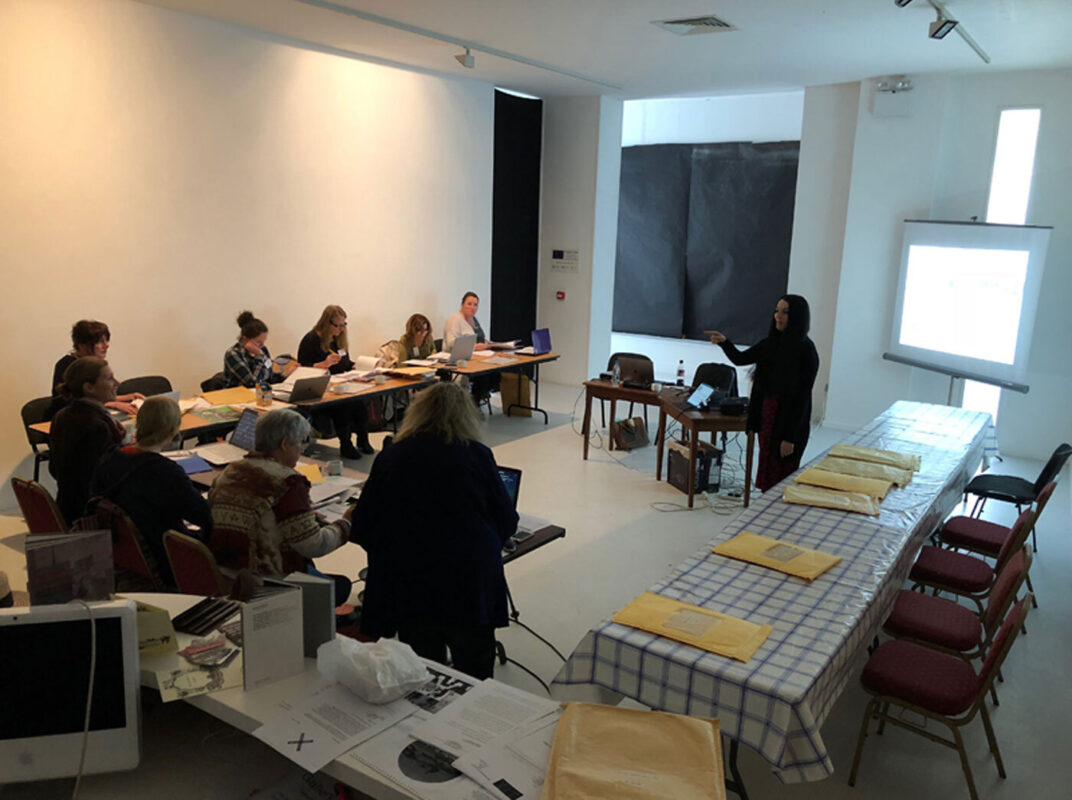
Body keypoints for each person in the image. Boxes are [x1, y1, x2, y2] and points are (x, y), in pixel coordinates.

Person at [349, 381, 517, 680]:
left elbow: (364, 524)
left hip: (411, 582)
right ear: (466, 415)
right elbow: (506, 519)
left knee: (424, 669)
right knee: (475, 669)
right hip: (467, 580)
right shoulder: (477, 454)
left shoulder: (391, 456)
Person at [208, 408, 353, 604]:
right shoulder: (287, 482)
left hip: (226, 576)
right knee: (342, 586)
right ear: (285, 444)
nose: (303, 449)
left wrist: (302, 517)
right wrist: (345, 524)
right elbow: (313, 545)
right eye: (302, 442)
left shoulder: (229, 471)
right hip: (267, 583)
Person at [91, 396, 212, 587]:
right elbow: (205, 517)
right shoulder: (165, 472)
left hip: (124, 552)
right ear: (172, 431)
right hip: (165, 555)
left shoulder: (110, 458)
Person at [708, 294, 819, 492]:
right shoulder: (771, 342)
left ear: (797, 317)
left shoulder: (806, 351)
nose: (778, 316)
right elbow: (741, 359)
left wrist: (790, 438)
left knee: (782, 477)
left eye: (785, 312)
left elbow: (802, 399)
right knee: (767, 471)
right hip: (768, 418)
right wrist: (725, 342)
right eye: (776, 311)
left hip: (789, 423)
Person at [48, 357, 127, 523]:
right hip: (93, 515)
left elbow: (54, 469)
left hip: (67, 507)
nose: (117, 383)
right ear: (89, 387)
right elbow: (111, 479)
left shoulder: (61, 416)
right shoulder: (96, 425)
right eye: (109, 378)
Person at [296, 305, 372, 459]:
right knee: (342, 406)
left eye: (343, 325)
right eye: (337, 326)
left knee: (359, 403)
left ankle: (363, 439)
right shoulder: (311, 340)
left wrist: (359, 366)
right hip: (318, 388)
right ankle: (346, 444)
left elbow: (344, 363)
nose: (340, 329)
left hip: (339, 384)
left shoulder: (338, 340)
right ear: (326, 323)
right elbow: (302, 368)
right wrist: (325, 363)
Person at [51, 320, 143, 417]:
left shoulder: (97, 365)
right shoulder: (67, 365)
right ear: (82, 346)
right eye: (100, 342)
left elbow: (95, 396)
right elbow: (72, 402)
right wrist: (114, 404)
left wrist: (126, 398)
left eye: (106, 340)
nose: (106, 345)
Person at [223, 310, 297, 389]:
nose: (262, 345)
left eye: (264, 341)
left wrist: (285, 376)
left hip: (262, 392)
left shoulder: (263, 350)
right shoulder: (233, 354)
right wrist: (259, 356)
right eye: (258, 342)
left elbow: (270, 376)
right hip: (240, 394)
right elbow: (252, 383)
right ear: (245, 339)